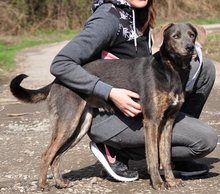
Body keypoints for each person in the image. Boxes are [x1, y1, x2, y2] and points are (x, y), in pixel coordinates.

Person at [50, 0, 218, 182]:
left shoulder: (141, 16)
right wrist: (109, 92)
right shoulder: (108, 18)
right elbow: (61, 64)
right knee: (204, 141)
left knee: (205, 68)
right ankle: (113, 149)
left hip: (139, 100)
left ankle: (173, 155)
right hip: (107, 111)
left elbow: (146, 69)